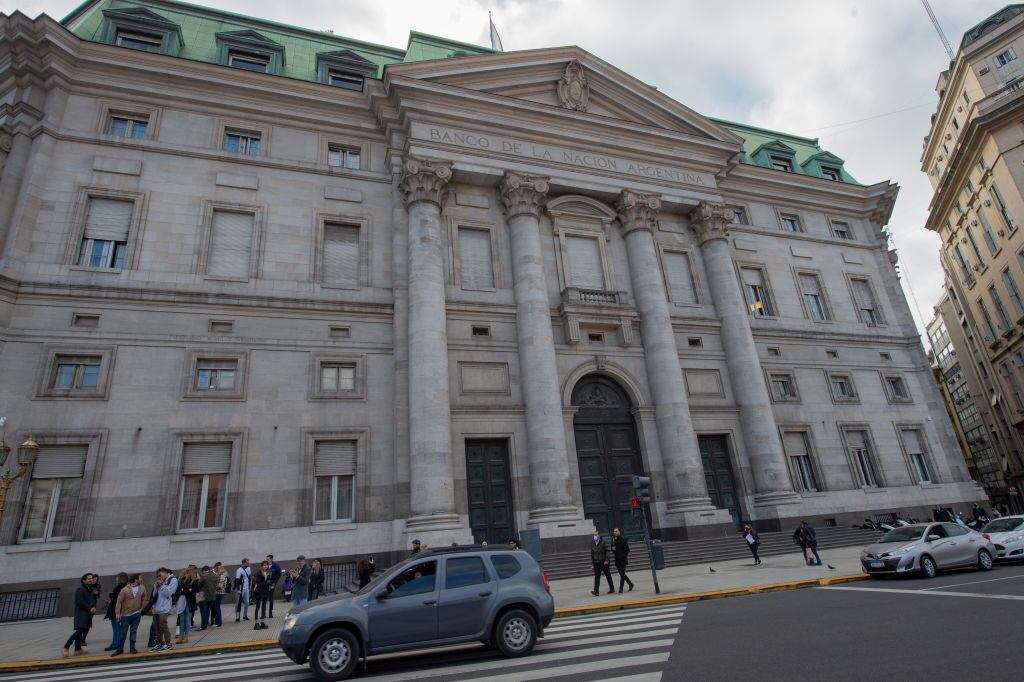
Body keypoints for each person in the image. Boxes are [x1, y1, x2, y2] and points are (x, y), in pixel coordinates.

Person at [111, 573, 147, 656]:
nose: (141, 579)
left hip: (136, 614)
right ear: (135, 579)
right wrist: (117, 613)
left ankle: (132, 648)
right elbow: (119, 601)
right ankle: (120, 649)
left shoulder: (142, 588)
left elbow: (144, 598)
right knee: (123, 632)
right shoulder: (125, 590)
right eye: (140, 578)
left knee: (133, 631)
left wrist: (141, 609)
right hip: (125, 615)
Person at [62, 573, 97, 657]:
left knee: (80, 631)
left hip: (87, 614)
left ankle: (78, 649)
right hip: (81, 614)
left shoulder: (89, 589)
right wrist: (89, 608)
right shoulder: (80, 589)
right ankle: (66, 647)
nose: (91, 580)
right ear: (84, 580)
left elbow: (91, 600)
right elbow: (79, 602)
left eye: (91, 578)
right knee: (78, 632)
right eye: (88, 579)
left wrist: (93, 606)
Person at [151, 567, 177, 651]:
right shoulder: (158, 582)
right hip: (156, 608)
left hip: (164, 608)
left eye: (160, 575)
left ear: (165, 573)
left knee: (163, 625)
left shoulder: (172, 580)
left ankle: (168, 643)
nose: (158, 577)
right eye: (157, 576)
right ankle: (159, 643)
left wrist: (162, 585)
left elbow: (168, 593)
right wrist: (156, 586)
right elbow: (154, 595)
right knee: (157, 627)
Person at [103, 573, 129, 652]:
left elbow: (116, 600)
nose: (116, 580)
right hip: (122, 611)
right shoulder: (127, 587)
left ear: (120, 579)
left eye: (117, 578)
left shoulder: (118, 588)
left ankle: (115, 644)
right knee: (119, 629)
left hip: (115, 612)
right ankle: (117, 644)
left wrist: (111, 596)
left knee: (116, 628)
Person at [590, 529, 615, 596]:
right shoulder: (592, 543)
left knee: (608, 575)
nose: (594, 536)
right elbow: (592, 554)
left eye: (596, 535)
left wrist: (607, 560)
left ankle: (612, 588)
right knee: (597, 577)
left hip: (604, 562)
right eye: (594, 535)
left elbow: (608, 551)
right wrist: (592, 564)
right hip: (596, 563)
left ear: (599, 535)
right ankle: (596, 591)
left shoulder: (603, 542)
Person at [176, 567, 197, 644]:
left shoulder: (193, 581)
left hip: (189, 603)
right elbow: (180, 591)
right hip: (181, 602)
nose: (186, 575)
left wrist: (185, 590)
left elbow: (192, 591)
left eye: (187, 574)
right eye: (185, 574)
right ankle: (181, 636)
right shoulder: (181, 581)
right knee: (181, 619)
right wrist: (186, 590)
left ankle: (186, 636)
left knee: (187, 619)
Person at [251, 561, 272, 631]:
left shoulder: (269, 572)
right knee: (258, 606)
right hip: (259, 592)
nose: (266, 566)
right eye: (264, 565)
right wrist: (267, 583)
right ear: (261, 566)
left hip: (266, 592)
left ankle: (262, 622)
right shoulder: (258, 573)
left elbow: (269, 581)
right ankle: (256, 623)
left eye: (267, 565)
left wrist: (270, 583)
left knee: (264, 607)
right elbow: (259, 583)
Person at [611, 528, 633, 593]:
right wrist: (613, 549)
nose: (615, 532)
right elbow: (612, 548)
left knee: (622, 574)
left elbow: (627, 550)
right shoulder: (613, 540)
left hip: (623, 560)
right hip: (617, 560)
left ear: (619, 532)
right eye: (614, 531)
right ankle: (630, 584)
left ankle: (621, 589)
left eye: (616, 531)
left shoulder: (623, 540)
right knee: (622, 574)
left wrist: (623, 556)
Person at [197, 566, 216, 630]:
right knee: (207, 611)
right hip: (212, 596)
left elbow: (198, 585)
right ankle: (206, 623)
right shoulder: (214, 575)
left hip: (203, 596)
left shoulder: (203, 576)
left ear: (204, 570)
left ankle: (203, 626)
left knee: (203, 612)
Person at [234, 558, 252, 622]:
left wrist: (250, 587)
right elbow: (237, 580)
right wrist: (238, 589)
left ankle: (245, 615)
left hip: (246, 588)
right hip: (241, 589)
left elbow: (249, 577)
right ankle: (237, 616)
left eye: (248, 562)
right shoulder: (239, 570)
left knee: (247, 602)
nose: (248, 563)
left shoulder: (249, 569)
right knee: (238, 603)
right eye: (247, 562)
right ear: (243, 563)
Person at [212, 562, 229, 628]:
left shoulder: (222, 573)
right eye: (220, 566)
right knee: (217, 607)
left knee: (217, 607)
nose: (221, 567)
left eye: (221, 566)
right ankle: (218, 622)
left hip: (218, 592)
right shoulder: (220, 572)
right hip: (219, 592)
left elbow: (220, 584)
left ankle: (218, 623)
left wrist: (218, 575)